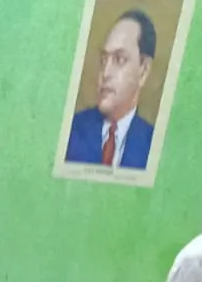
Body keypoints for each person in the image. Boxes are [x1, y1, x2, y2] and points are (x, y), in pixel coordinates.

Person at [65, 10, 156, 170]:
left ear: (143, 71)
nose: (105, 73)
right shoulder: (70, 131)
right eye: (104, 59)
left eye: (119, 59)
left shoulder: (153, 144)